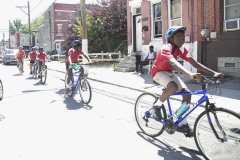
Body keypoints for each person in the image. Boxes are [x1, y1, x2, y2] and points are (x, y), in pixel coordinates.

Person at [151, 26, 224, 137]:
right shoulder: (166, 48)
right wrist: (190, 74)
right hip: (158, 72)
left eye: (183, 37)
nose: (181, 39)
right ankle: (156, 107)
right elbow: (173, 62)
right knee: (173, 87)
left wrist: (214, 72)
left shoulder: (181, 50)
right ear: (171, 39)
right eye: (178, 37)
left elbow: (195, 64)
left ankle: (181, 123)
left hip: (168, 73)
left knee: (187, 94)